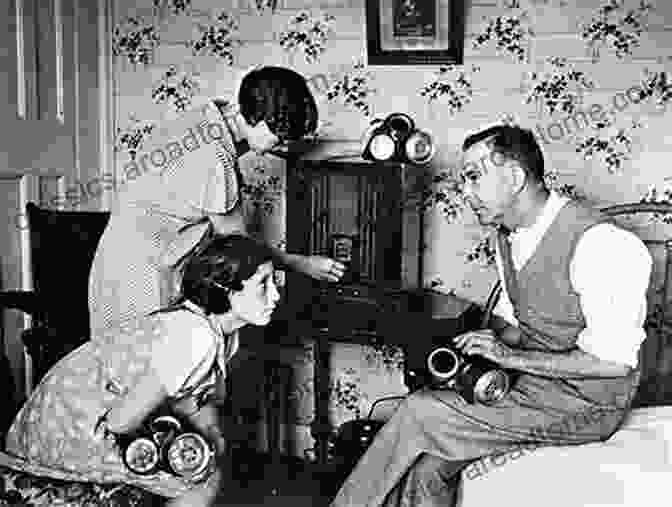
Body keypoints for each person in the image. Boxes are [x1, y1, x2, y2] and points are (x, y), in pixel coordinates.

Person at [330, 124, 652, 506]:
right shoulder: (508, 236)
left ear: (514, 177)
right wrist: (484, 350)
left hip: (587, 406)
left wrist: (509, 357)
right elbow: (520, 323)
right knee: (430, 464)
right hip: (534, 388)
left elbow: (614, 363)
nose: (465, 192)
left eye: (473, 177)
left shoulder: (604, 245)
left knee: (419, 412)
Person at [4, 233, 280, 506]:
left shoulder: (218, 332)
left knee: (205, 466)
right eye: (263, 284)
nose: (276, 295)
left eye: (275, 281)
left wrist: (212, 433)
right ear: (225, 289)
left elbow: (191, 397)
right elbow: (119, 422)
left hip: (62, 414)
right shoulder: (196, 337)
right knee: (200, 484)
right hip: (68, 425)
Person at [88, 65, 345, 337]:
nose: (282, 146)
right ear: (258, 118)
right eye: (279, 138)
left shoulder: (212, 118)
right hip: (143, 279)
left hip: (114, 263)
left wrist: (360, 146)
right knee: (151, 367)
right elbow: (243, 251)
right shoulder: (213, 161)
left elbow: (294, 151)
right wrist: (302, 264)